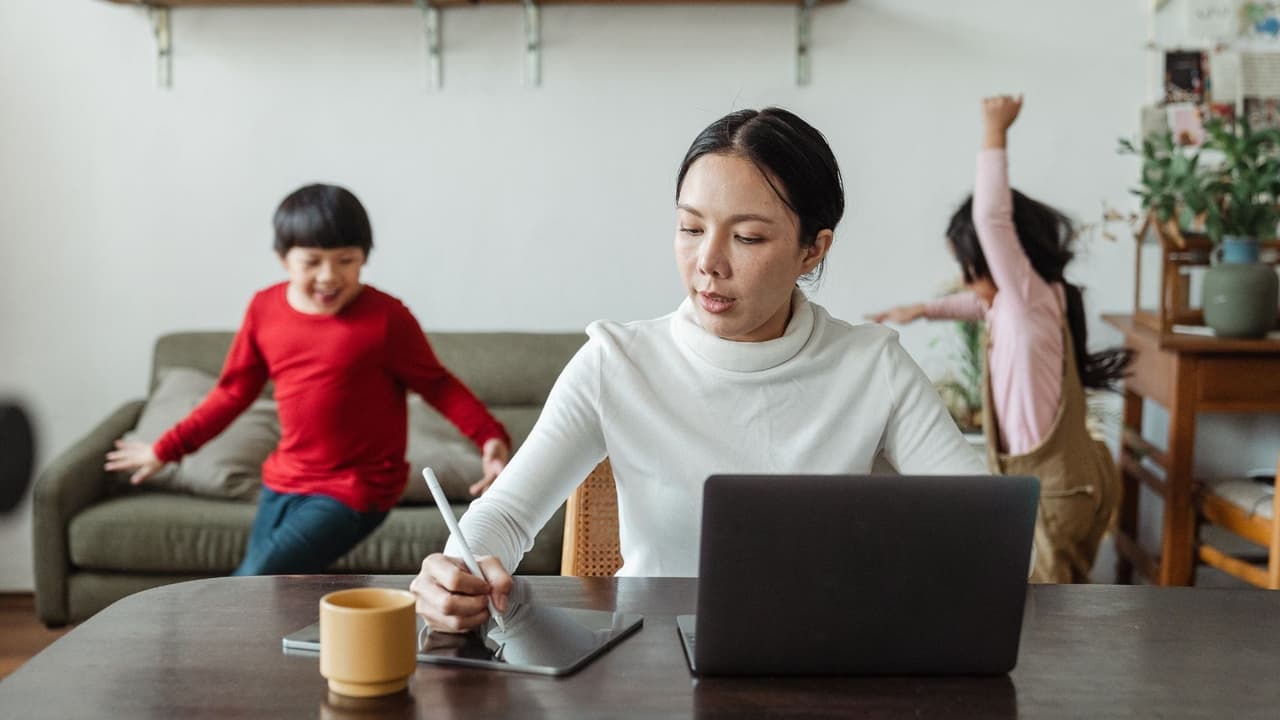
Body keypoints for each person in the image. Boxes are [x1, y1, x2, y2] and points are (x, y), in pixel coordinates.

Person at [411, 107, 987, 632]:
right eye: (690, 228)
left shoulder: (872, 365)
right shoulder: (617, 362)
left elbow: (981, 524)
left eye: (747, 237)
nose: (708, 262)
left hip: (824, 662)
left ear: (813, 250)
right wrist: (458, 569)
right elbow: (507, 515)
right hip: (651, 671)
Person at [105, 184, 511, 575]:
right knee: (272, 594)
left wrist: (489, 437)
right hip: (284, 480)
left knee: (251, 582)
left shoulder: (387, 319)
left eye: (346, 260)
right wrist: (167, 449)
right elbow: (232, 393)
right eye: (312, 261)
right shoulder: (264, 309)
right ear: (284, 258)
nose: (329, 276)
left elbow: (437, 385)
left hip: (357, 488)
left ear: (364, 257)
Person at [867, 95, 1130, 583]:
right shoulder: (1026, 304)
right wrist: (922, 310)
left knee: (1049, 615)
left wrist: (995, 131)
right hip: (1051, 484)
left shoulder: (1026, 296)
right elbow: (977, 304)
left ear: (998, 260)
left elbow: (990, 219)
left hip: (1055, 493)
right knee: (1031, 607)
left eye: (967, 269)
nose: (966, 284)